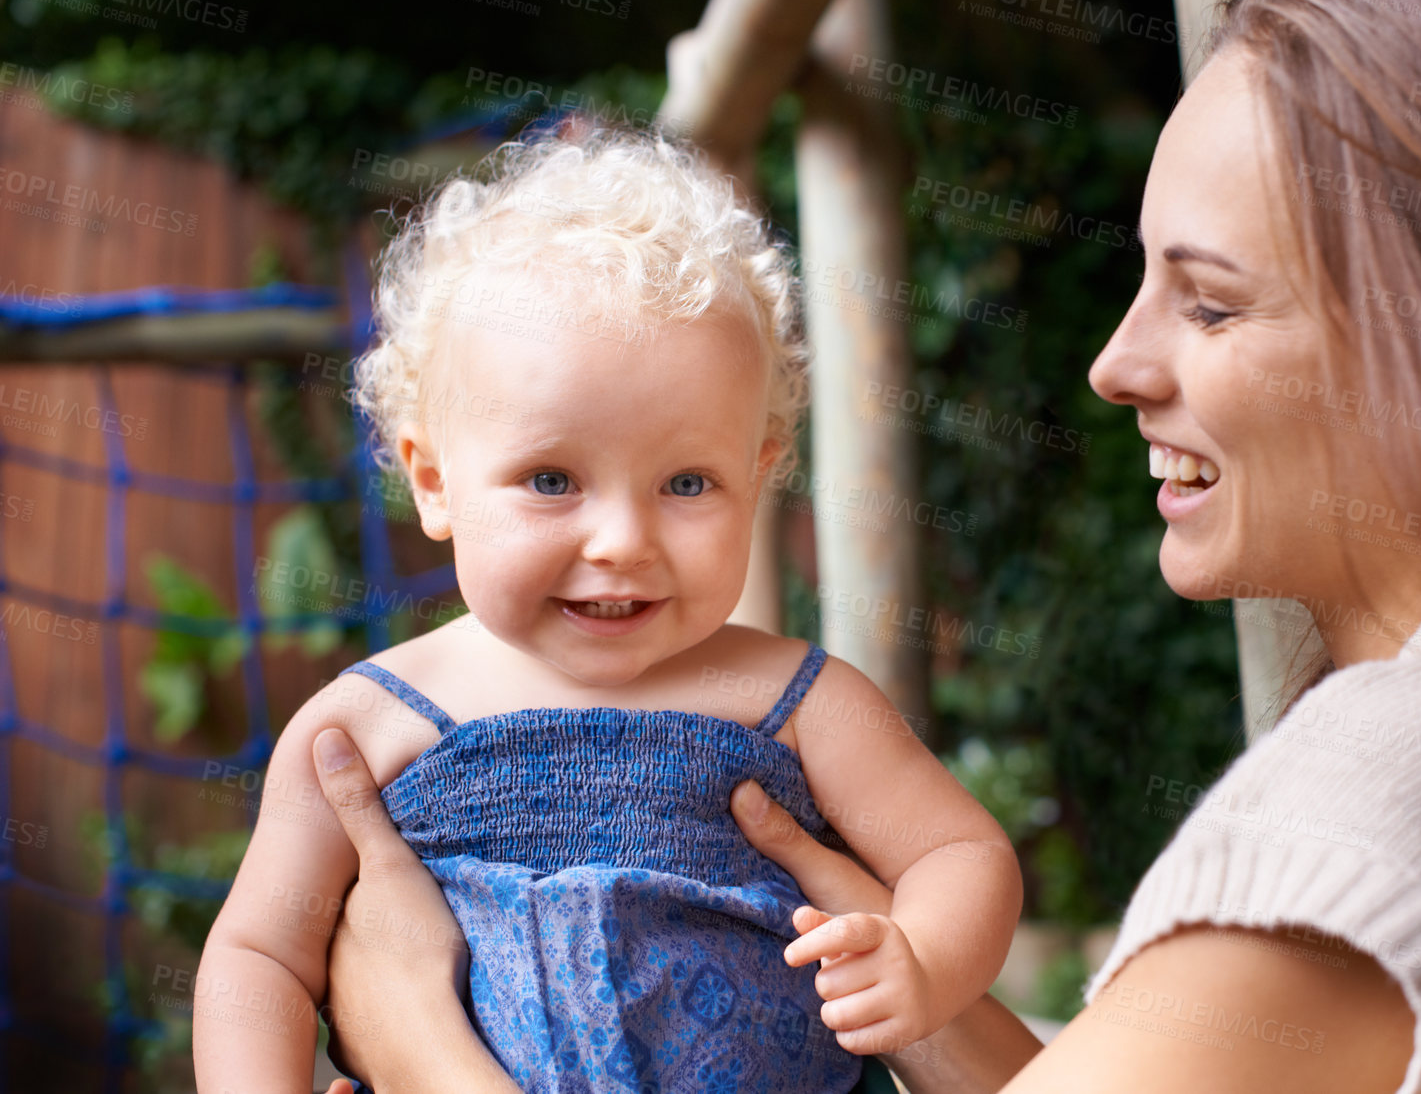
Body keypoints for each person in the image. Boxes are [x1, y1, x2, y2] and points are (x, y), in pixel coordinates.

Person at [309, 0, 1421, 1090]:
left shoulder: (1390, 802)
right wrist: (891, 968)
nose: (1115, 363)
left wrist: (417, 1038)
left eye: (1211, 298)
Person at [191, 127, 1022, 1094]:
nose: (622, 539)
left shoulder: (799, 700)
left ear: (758, 478)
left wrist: (920, 960)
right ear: (433, 481)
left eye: (686, 480)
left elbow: (962, 852)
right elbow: (257, 957)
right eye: (552, 478)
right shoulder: (364, 727)